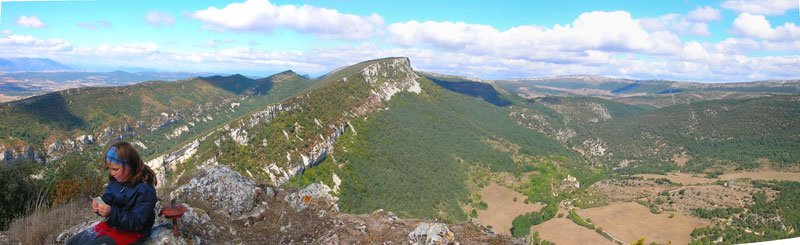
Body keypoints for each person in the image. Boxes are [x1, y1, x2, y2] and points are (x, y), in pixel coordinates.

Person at [67, 141, 158, 245]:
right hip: (112, 225)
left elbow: (137, 222)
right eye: (110, 169)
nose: (112, 173)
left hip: (133, 233)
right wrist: (100, 205)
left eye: (116, 169)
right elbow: (108, 197)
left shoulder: (145, 190)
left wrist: (111, 212)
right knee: (71, 243)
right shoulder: (116, 180)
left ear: (130, 166)